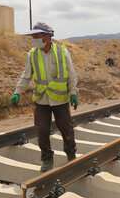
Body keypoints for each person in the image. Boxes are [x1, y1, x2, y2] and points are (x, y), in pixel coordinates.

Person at [10, 22, 79, 172]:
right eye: (33, 36)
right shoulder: (32, 54)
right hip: (41, 99)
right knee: (42, 130)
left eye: (37, 36)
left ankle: (71, 155)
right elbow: (26, 76)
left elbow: (71, 74)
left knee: (66, 129)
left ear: (47, 36)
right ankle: (47, 159)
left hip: (60, 99)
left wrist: (73, 92)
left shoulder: (62, 52)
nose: (34, 39)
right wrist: (17, 92)